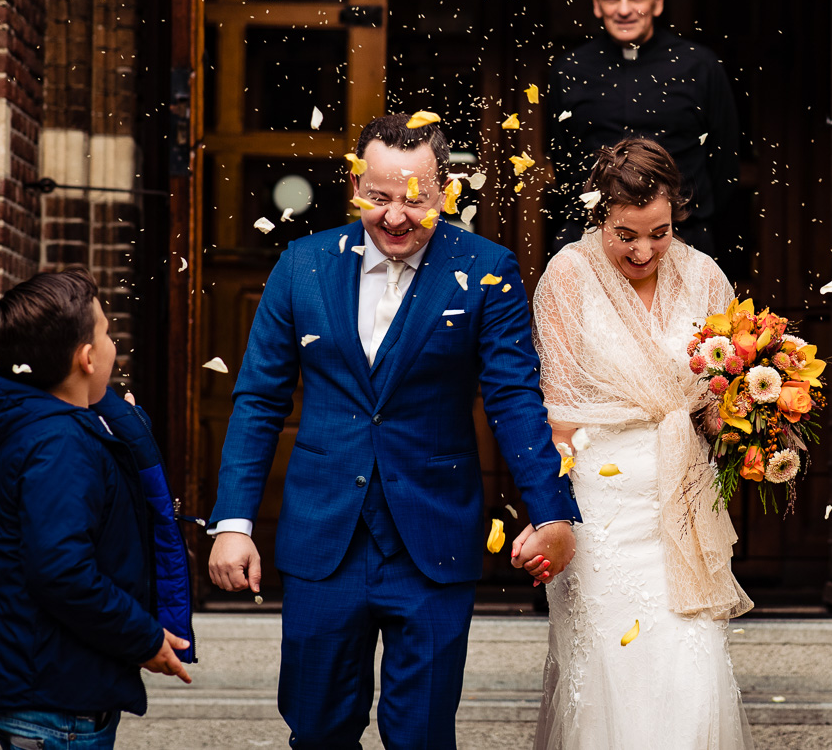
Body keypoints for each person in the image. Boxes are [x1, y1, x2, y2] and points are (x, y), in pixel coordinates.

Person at [206, 112, 581, 748]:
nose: (396, 216)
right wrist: (233, 524)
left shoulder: (488, 269)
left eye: (416, 199)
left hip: (433, 540)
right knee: (318, 730)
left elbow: (514, 398)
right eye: (378, 197)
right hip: (325, 540)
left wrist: (552, 512)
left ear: (445, 192)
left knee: (423, 735)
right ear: (356, 185)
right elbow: (258, 400)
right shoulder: (303, 264)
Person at [515, 138, 751, 750]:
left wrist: (751, 427)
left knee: (692, 668)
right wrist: (548, 514)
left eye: (660, 232)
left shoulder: (704, 276)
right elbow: (557, 416)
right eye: (626, 234)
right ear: (599, 214)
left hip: (684, 497)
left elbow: (724, 397)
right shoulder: (566, 276)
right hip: (602, 509)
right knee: (611, 671)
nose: (644, 250)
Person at [0, 269, 194, 750]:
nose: (112, 345)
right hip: (56, 705)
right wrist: (142, 638)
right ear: (86, 358)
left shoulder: (65, 431)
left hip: (61, 692)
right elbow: (62, 571)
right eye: (106, 333)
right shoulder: (59, 443)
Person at [546, 0, 740, 256]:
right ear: (596, 3)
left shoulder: (699, 65)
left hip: (682, 237)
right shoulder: (570, 69)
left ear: (658, 0)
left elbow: (725, 162)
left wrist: (684, 217)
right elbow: (561, 156)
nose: (624, 9)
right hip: (590, 236)